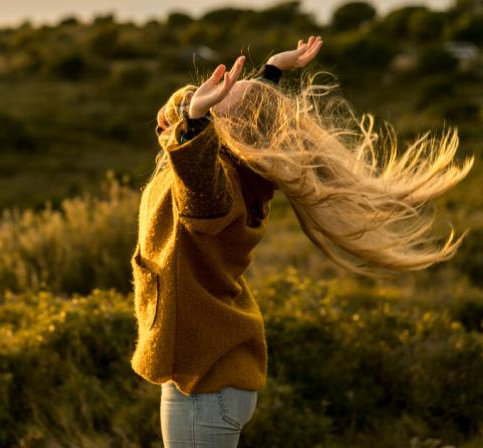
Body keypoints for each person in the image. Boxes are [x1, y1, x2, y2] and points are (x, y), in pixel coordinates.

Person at [129, 36, 474, 447]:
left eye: (226, 97)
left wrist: (198, 116)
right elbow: (189, 127)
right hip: (209, 374)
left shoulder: (216, 190)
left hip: (205, 384)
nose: (217, 89)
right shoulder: (238, 166)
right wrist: (272, 71)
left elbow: (194, 163)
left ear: (229, 129)